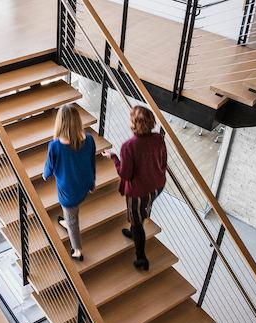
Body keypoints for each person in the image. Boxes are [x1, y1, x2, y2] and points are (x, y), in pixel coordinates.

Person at [102, 106, 167, 271]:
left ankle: (141, 258)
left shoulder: (128, 146)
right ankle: (135, 227)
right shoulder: (159, 138)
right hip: (157, 186)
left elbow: (125, 174)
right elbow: (163, 161)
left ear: (134, 123)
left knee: (137, 222)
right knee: (143, 209)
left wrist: (114, 157)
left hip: (139, 192)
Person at [43, 104, 96, 261]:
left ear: (60, 123)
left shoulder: (55, 146)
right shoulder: (90, 140)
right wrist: (92, 182)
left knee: (73, 220)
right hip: (84, 185)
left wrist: (45, 176)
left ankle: (77, 250)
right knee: (72, 213)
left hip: (69, 193)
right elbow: (92, 162)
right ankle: (67, 220)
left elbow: (49, 169)